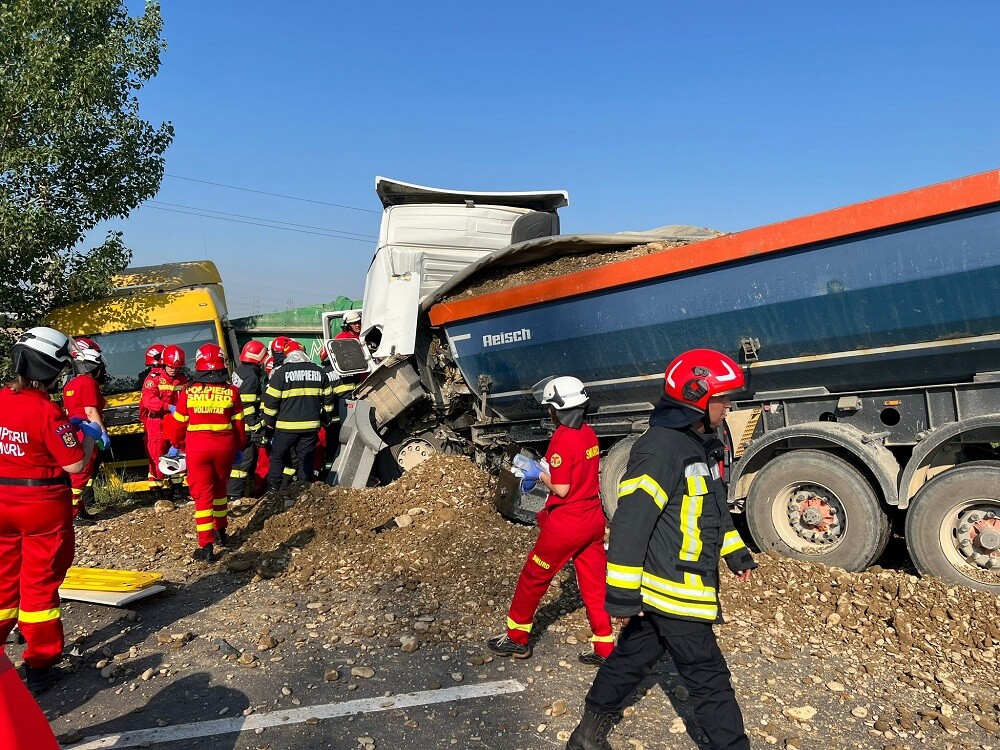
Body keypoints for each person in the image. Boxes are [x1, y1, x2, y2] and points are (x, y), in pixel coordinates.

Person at [566, 349, 757, 750]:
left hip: (674, 584)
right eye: (722, 398)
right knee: (709, 679)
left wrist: (735, 552)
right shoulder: (660, 450)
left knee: (633, 656)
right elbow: (631, 525)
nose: (728, 406)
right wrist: (620, 595)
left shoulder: (699, 444)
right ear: (696, 397)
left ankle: (586, 735)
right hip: (672, 587)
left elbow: (712, 510)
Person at [487, 376, 614, 665]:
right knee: (594, 585)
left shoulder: (562, 438)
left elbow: (562, 488)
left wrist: (537, 473)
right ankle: (605, 647)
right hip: (592, 518)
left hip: (566, 523)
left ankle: (517, 639)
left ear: (557, 409)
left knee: (534, 577)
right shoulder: (588, 433)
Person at [0, 327, 95, 695]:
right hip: (41, 509)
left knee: (4, 581)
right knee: (39, 588)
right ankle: (40, 664)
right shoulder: (47, 410)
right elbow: (73, 466)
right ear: (53, 370)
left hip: (2, 504)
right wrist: (86, 436)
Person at [165, 344, 244, 563]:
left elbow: (179, 423)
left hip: (197, 450)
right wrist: (239, 448)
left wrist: (177, 445)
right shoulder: (231, 391)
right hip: (225, 448)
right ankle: (222, 534)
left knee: (202, 499)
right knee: (220, 491)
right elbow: (239, 425)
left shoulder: (189, 391)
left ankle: (207, 546)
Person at [261, 339, 334, 492]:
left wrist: (269, 421)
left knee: (277, 458)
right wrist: (325, 419)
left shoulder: (281, 373)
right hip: (310, 428)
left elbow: (270, 401)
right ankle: (302, 491)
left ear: (287, 355)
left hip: (285, 428)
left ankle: (273, 490)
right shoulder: (319, 372)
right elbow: (328, 399)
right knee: (305, 460)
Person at [62, 337, 111, 523]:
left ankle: (80, 509)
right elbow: (90, 411)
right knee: (81, 473)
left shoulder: (70, 385)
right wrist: (103, 433)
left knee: (78, 472)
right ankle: (73, 513)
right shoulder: (89, 383)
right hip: (88, 432)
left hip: (74, 431)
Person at [139, 344, 187, 497]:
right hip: (156, 422)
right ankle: (156, 491)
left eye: (177, 367)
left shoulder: (182, 379)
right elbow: (148, 400)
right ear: (163, 363)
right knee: (156, 455)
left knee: (177, 454)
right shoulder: (154, 379)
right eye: (171, 366)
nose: (173, 369)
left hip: (174, 421)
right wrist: (168, 406)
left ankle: (177, 489)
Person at [227, 340, 266, 502]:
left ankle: (233, 493)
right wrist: (255, 426)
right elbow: (246, 404)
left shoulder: (240, 370)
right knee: (243, 463)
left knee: (238, 462)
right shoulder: (252, 377)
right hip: (245, 427)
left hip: (236, 424)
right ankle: (234, 495)